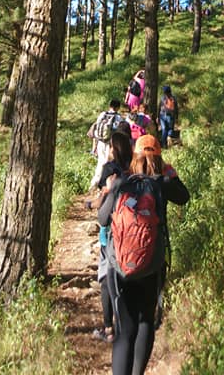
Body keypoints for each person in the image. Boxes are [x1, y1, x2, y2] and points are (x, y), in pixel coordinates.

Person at [97, 134, 189, 375]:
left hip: (120, 267)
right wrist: (170, 173)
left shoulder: (121, 183)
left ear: (135, 155)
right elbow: (184, 196)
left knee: (125, 330)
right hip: (152, 263)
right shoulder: (161, 183)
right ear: (158, 156)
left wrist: (113, 189)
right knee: (146, 320)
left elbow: (102, 219)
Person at [92, 130, 134, 343]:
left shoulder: (110, 169)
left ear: (113, 149)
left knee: (106, 276)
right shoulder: (133, 167)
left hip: (110, 228)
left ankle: (109, 327)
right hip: (130, 227)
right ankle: (125, 320)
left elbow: (103, 196)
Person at [89, 98, 123, 191]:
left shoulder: (102, 114)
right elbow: (118, 130)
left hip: (100, 141)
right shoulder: (118, 117)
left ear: (110, 106)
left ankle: (94, 183)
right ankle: (102, 184)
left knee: (100, 161)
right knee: (107, 163)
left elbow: (96, 127)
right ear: (118, 107)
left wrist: (94, 146)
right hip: (110, 143)